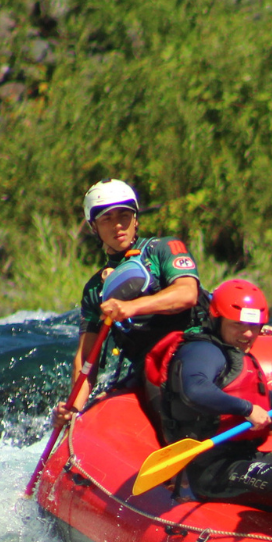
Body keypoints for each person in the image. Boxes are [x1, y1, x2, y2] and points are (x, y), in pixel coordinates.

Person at [142, 278, 272, 520]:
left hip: (243, 456)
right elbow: (195, 390)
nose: (248, 334)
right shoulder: (202, 351)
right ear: (217, 319)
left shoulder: (230, 352)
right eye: (238, 325)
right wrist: (246, 408)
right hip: (210, 469)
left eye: (255, 326)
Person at [52, 179, 209, 426]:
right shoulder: (95, 289)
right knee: (102, 411)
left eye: (124, 216)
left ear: (136, 219)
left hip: (195, 346)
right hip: (148, 365)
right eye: (106, 218)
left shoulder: (163, 248)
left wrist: (131, 308)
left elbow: (187, 293)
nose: (117, 225)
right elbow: (85, 359)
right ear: (94, 226)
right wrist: (72, 409)